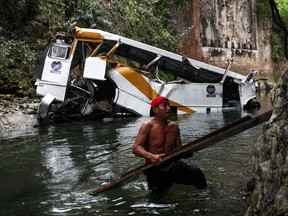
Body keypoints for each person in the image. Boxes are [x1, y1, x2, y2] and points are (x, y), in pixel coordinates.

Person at [132, 96, 207, 196]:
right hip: (154, 169)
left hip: (172, 166)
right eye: (164, 106)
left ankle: (206, 197)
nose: (168, 108)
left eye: (168, 106)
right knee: (158, 198)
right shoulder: (147, 126)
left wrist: (186, 152)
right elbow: (136, 148)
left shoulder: (174, 126)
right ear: (155, 109)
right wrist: (152, 157)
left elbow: (179, 149)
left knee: (196, 173)